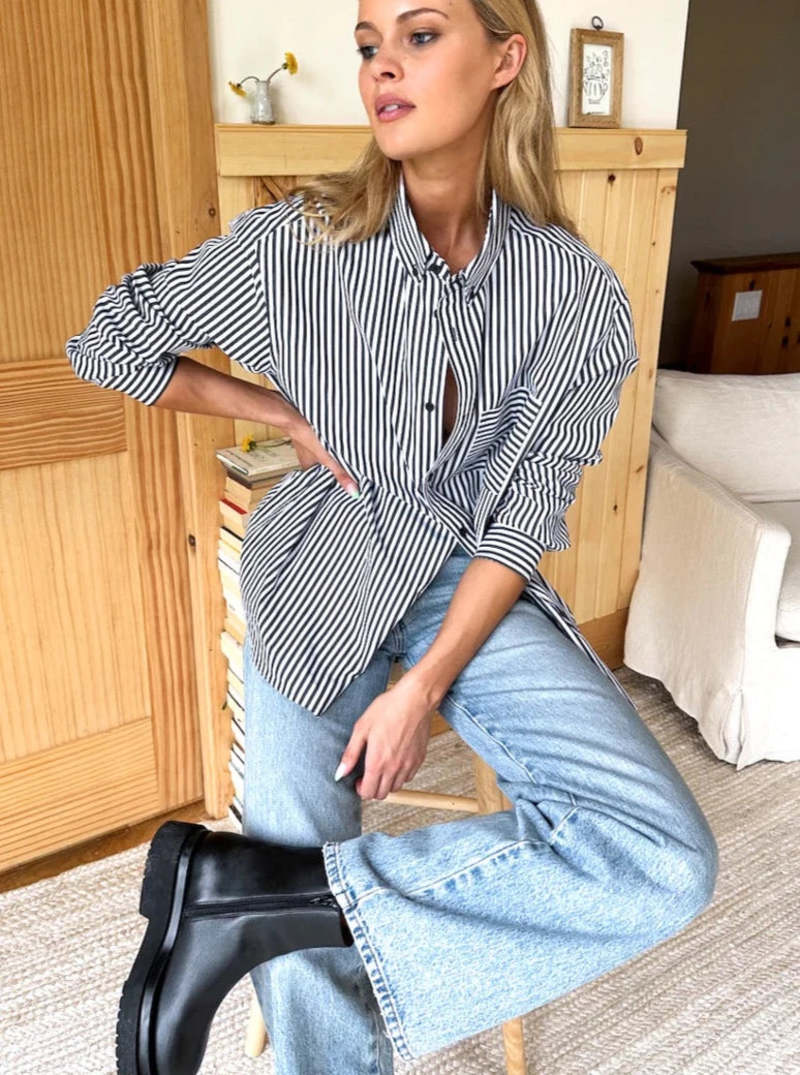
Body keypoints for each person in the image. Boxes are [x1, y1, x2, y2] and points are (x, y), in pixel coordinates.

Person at [65, 2, 719, 1073]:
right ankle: (270, 918)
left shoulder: (573, 294)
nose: (381, 68)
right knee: (291, 832)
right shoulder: (301, 244)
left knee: (664, 855)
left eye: (418, 37)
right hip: (316, 572)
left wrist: (422, 688)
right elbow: (110, 341)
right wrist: (278, 412)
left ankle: (251, 902)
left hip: (468, 576)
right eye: (369, 45)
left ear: (505, 58)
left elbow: (520, 517)